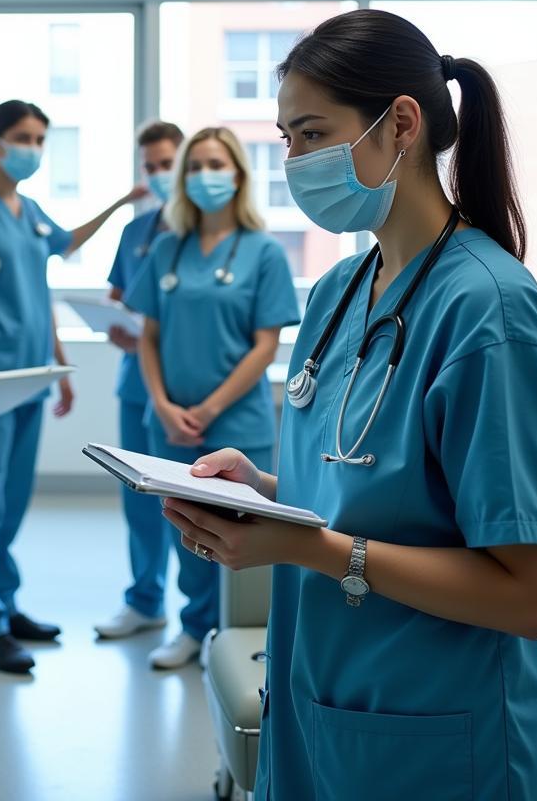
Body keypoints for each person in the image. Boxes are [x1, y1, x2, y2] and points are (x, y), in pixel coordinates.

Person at [163, 9, 537, 800]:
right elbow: (373, 499)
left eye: (313, 134)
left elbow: (529, 596)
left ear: (402, 125)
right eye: (286, 139)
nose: (293, 160)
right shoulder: (336, 292)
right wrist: (262, 495)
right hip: (320, 705)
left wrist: (307, 550)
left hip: (437, 735)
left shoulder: (489, 313)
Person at [0, 99, 145, 673]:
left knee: (10, 505)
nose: (31, 148)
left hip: (32, 376)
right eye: (21, 137)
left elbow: (54, 267)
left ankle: (4, 605)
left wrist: (58, 365)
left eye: (39, 138)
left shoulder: (30, 210)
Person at [125, 126, 299, 669]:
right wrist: (161, 403)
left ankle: (244, 633)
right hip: (170, 422)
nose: (205, 176)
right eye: (195, 166)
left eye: (216, 165)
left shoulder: (263, 251)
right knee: (185, 528)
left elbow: (264, 346)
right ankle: (195, 628)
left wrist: (208, 409)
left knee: (245, 533)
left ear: (240, 175)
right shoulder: (167, 249)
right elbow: (147, 336)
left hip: (234, 423)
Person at [94, 120, 185, 641]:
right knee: (141, 499)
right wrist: (115, 325)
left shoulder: (210, 235)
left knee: (197, 506)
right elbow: (117, 297)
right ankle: (145, 601)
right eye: (150, 167)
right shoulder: (136, 232)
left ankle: (204, 619)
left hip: (192, 389)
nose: (158, 175)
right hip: (137, 385)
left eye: (167, 164)